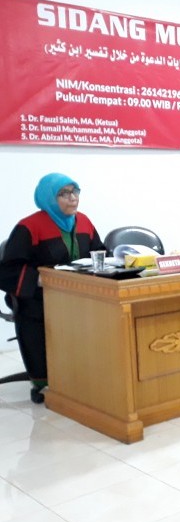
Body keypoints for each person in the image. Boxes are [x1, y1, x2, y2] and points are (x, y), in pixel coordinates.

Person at [0, 173, 105, 403]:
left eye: (75, 191)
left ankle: (83, 375)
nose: (72, 198)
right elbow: (7, 271)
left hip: (79, 294)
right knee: (35, 318)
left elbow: (100, 251)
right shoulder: (29, 226)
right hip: (39, 297)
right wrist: (40, 280)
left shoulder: (84, 221)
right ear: (47, 197)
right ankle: (41, 382)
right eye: (63, 193)